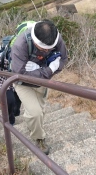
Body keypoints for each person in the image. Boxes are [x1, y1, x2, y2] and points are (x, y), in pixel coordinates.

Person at [10, 19, 68, 155]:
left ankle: (34, 125)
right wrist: (48, 70)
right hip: (23, 83)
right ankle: (39, 138)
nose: (45, 51)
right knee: (35, 113)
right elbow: (20, 73)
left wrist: (44, 70)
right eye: (42, 49)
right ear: (35, 41)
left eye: (49, 49)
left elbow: (63, 59)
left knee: (40, 111)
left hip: (42, 82)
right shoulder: (20, 45)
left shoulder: (56, 38)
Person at [0, 51, 22, 125]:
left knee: (18, 100)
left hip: (18, 82)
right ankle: (10, 121)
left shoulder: (22, 57)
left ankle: (16, 112)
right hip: (4, 83)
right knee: (10, 102)